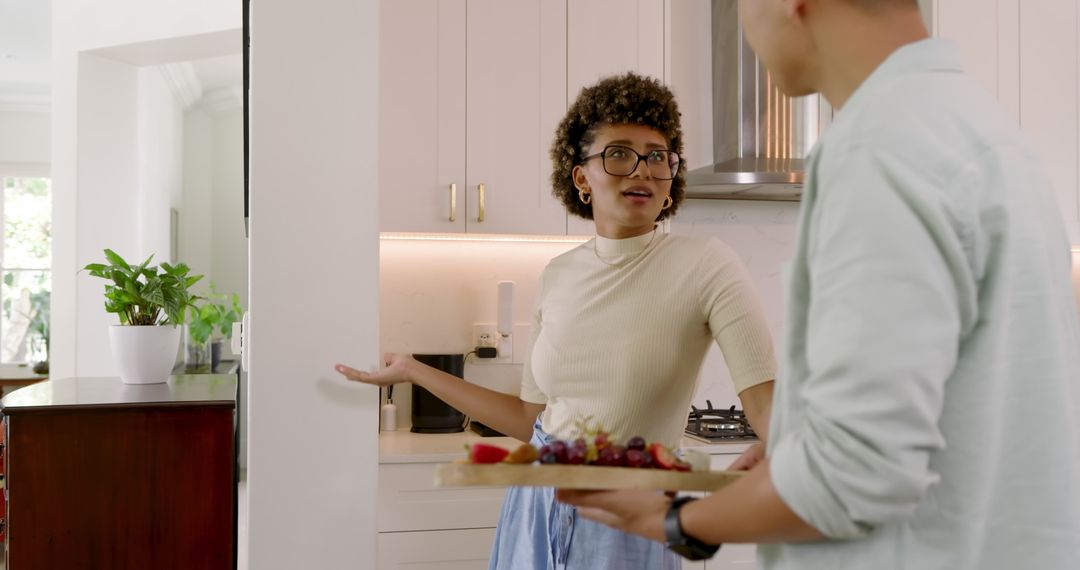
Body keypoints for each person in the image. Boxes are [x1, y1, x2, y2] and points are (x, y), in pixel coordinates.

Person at [558, 1, 1080, 569]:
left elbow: (853, 474)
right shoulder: (985, 130)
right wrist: (798, 447)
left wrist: (675, 520)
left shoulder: (879, 148)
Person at [335, 72, 779, 569]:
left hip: (628, 513)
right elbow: (530, 419)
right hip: (535, 507)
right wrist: (414, 370)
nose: (643, 170)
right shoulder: (558, 274)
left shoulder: (707, 265)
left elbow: (764, 403)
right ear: (582, 178)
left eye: (658, 156)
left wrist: (785, 446)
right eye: (619, 153)